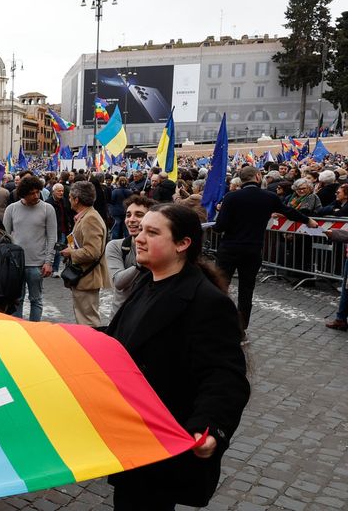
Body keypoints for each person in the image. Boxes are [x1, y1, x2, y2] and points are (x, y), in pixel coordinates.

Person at [106, 204, 250, 510]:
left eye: (152, 232)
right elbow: (120, 337)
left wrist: (209, 427)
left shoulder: (206, 301)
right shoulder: (147, 280)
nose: (139, 238)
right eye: (141, 229)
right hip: (132, 432)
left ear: (182, 244)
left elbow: (225, 376)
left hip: (165, 440)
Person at [214, 166, 317, 330]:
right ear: (257, 176)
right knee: (246, 290)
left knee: (220, 286)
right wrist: (307, 221)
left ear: (241, 179)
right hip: (253, 249)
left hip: (230, 248)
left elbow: (220, 226)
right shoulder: (269, 197)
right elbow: (289, 212)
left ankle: (217, 323)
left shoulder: (231, 197)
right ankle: (241, 327)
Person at [2, 176, 56, 322]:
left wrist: (49, 261)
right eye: (32, 193)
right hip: (16, 264)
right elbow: (5, 237)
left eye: (38, 192)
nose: (36, 196)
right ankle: (18, 330)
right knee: (16, 300)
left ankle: (35, 329)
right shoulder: (11, 209)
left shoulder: (47, 209)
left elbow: (52, 237)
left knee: (36, 300)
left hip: (37, 264)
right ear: (23, 193)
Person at [59, 180, 111, 327]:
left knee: (88, 321)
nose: (68, 199)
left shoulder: (91, 218)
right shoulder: (86, 216)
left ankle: (92, 348)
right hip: (84, 277)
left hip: (88, 277)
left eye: (70, 197)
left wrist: (71, 253)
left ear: (77, 199)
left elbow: (92, 252)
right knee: (84, 317)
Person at [105, 195, 155, 311]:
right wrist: (139, 264)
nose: (131, 219)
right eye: (128, 215)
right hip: (120, 317)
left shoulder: (160, 249)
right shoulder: (115, 246)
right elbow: (118, 282)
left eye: (139, 215)